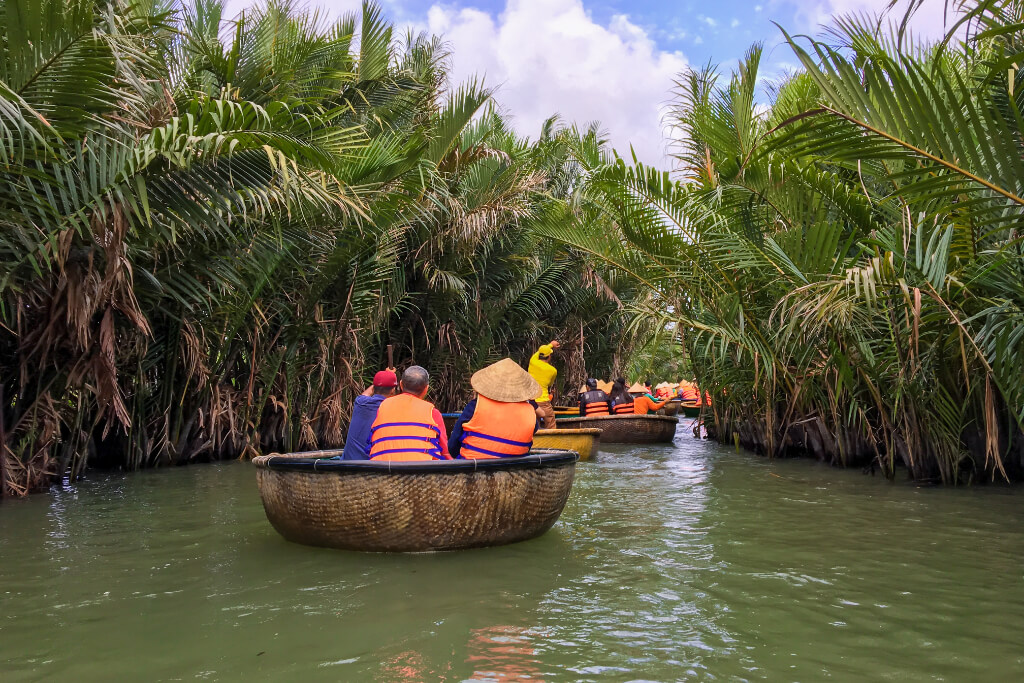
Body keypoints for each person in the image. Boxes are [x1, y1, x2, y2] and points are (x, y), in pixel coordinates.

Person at [449, 358, 541, 459]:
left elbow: (453, 446)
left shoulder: (475, 406)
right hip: (515, 469)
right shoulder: (530, 412)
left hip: (473, 467)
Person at [368, 365, 451, 461]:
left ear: (401, 385)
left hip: (383, 470)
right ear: (426, 389)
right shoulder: (433, 412)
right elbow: (444, 452)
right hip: (421, 471)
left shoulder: (383, 406)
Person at [341, 368, 398, 459]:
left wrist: (384, 377)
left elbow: (367, 393)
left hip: (348, 461)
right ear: (392, 390)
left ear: (374, 387)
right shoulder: (393, 409)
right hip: (372, 465)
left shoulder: (360, 402)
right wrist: (389, 377)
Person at [527, 340, 560, 428]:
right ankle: (553, 440)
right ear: (549, 356)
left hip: (531, 400)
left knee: (534, 423)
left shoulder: (533, 361)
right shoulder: (552, 370)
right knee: (550, 422)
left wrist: (550, 345)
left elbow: (538, 353)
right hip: (543, 401)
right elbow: (550, 383)